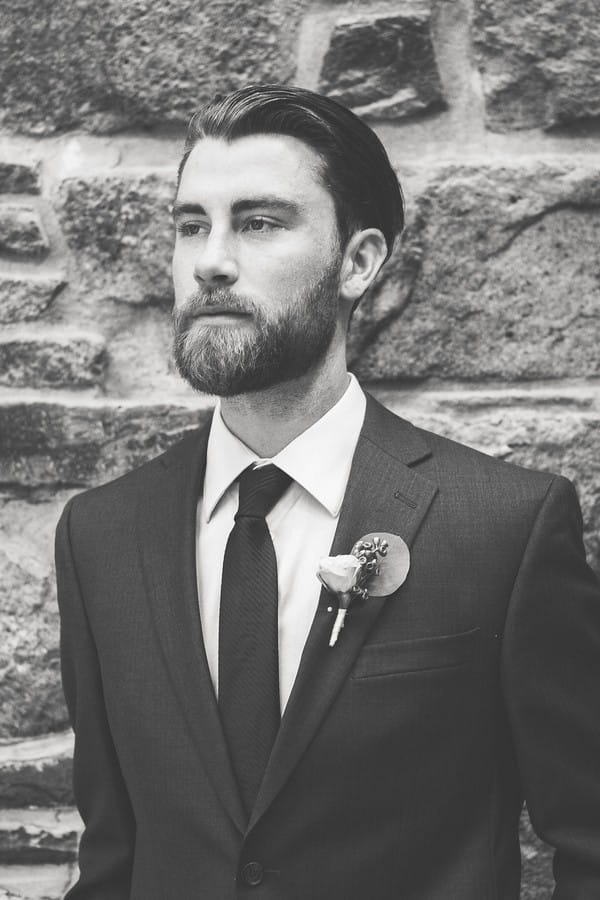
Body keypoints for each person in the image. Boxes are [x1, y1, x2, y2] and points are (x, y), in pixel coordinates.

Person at [55, 84, 600, 900]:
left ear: (359, 261)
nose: (211, 259)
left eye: (260, 222)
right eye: (191, 225)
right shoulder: (99, 537)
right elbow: (112, 856)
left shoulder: (505, 529)